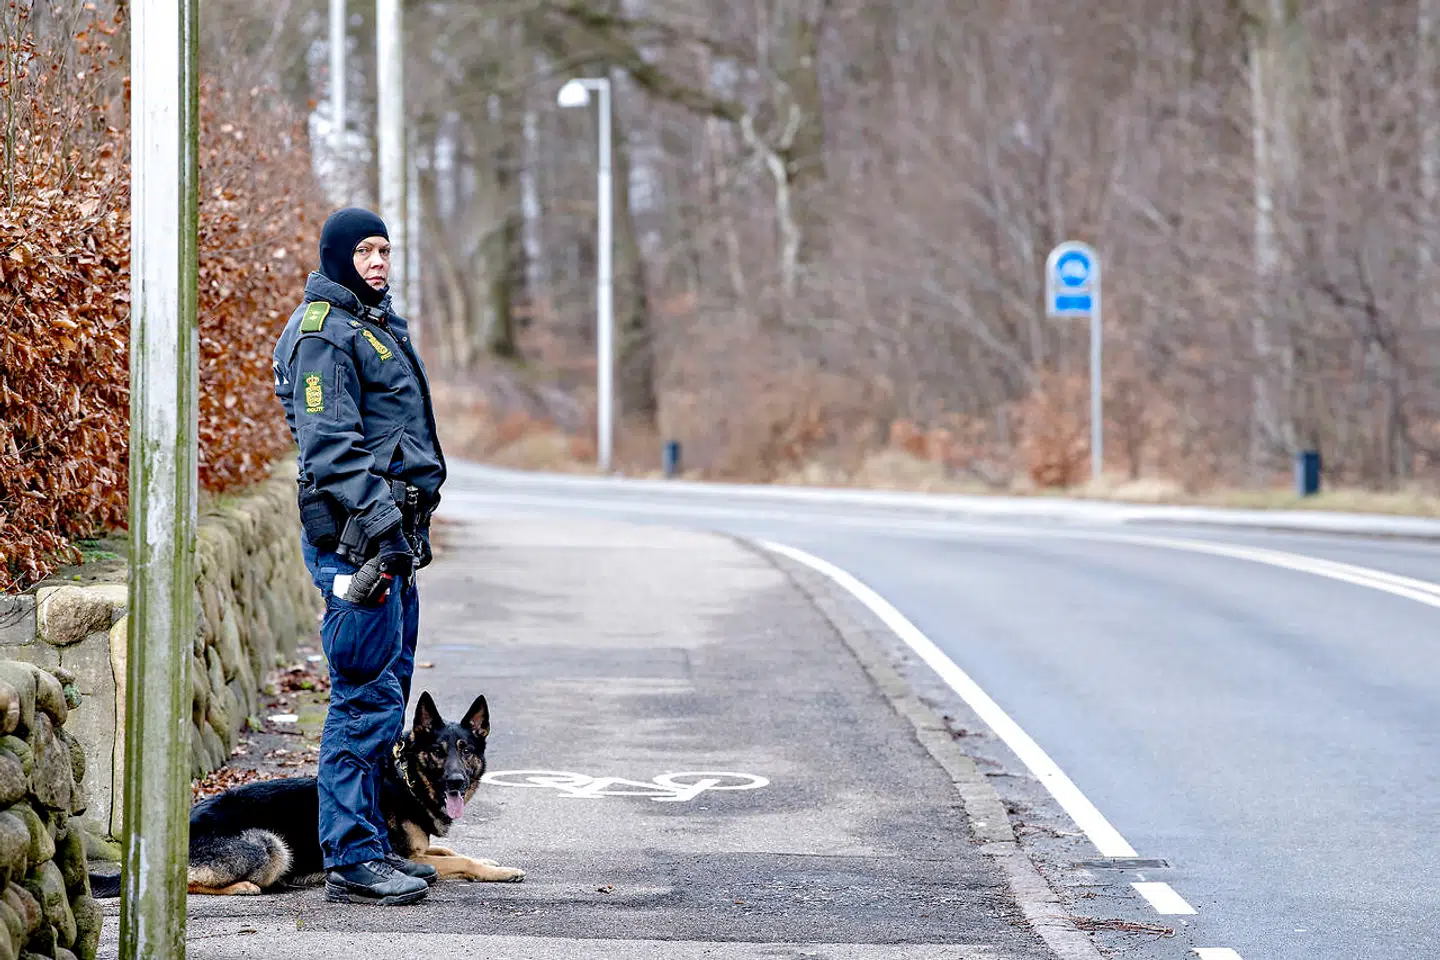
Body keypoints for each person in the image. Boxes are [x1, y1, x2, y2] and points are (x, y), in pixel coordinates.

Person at [272, 207, 447, 906]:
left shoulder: (372, 324)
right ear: (338, 257)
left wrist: (407, 529)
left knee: (387, 695)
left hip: (391, 544)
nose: (378, 261)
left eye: (384, 249)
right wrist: (381, 523)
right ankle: (351, 858)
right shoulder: (322, 334)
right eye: (366, 251)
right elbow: (330, 446)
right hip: (359, 543)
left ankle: (371, 843)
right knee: (362, 695)